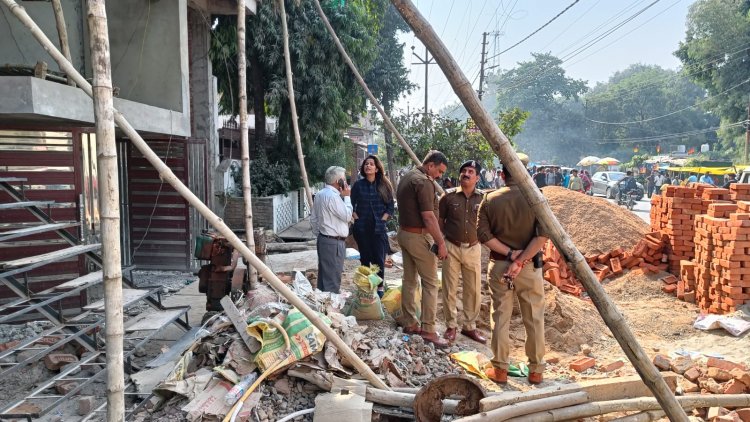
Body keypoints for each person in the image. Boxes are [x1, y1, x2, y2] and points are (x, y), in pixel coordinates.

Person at [477, 153, 548, 385]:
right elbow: (542, 236)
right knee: (534, 318)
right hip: (529, 267)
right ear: (525, 172)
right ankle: (536, 371)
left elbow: (483, 235)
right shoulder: (538, 199)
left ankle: (500, 370)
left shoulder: (490, 199)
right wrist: (521, 261)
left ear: (502, 174)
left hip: (499, 266)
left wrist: (510, 256)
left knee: (500, 318)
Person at [396, 150, 450, 348]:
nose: (440, 176)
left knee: (409, 280)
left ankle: (410, 322)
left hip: (404, 234)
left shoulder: (408, 177)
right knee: (430, 283)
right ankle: (428, 329)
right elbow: (428, 217)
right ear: (430, 165)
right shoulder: (424, 182)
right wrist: (441, 243)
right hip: (418, 237)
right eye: (440, 171)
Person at [438, 160, 486, 345]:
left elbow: (488, 222)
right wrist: (441, 242)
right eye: (464, 171)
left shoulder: (482, 199)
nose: (466, 174)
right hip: (451, 246)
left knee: (473, 289)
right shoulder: (448, 197)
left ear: (477, 177)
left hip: (473, 248)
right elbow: (440, 220)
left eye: (471, 171)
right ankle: (451, 325)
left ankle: (469, 326)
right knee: (450, 288)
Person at [351, 155, 395, 295]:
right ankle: (367, 287)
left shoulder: (384, 185)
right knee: (365, 258)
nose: (368, 166)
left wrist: (383, 220)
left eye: (371, 164)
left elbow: (390, 207)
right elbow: (350, 205)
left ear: (376, 168)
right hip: (362, 228)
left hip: (379, 228)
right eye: (366, 164)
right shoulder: (358, 185)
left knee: (379, 259)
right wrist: (356, 219)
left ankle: (380, 288)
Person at [310, 166, 352, 293]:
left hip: (324, 239)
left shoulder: (320, 194)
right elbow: (347, 215)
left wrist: (323, 234)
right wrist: (347, 196)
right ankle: (331, 309)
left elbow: (314, 220)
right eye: (344, 179)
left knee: (324, 278)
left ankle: (322, 308)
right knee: (332, 279)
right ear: (338, 181)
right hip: (334, 242)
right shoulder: (333, 196)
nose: (345, 182)